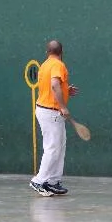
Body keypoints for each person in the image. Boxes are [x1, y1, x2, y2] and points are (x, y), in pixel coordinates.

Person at [30, 39, 78, 196]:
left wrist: (65, 90)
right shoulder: (58, 65)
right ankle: (39, 181)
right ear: (61, 52)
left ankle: (53, 181)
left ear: (47, 52)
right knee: (52, 147)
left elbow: (51, 86)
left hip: (46, 110)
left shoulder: (45, 65)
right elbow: (54, 85)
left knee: (59, 146)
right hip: (51, 112)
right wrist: (63, 106)